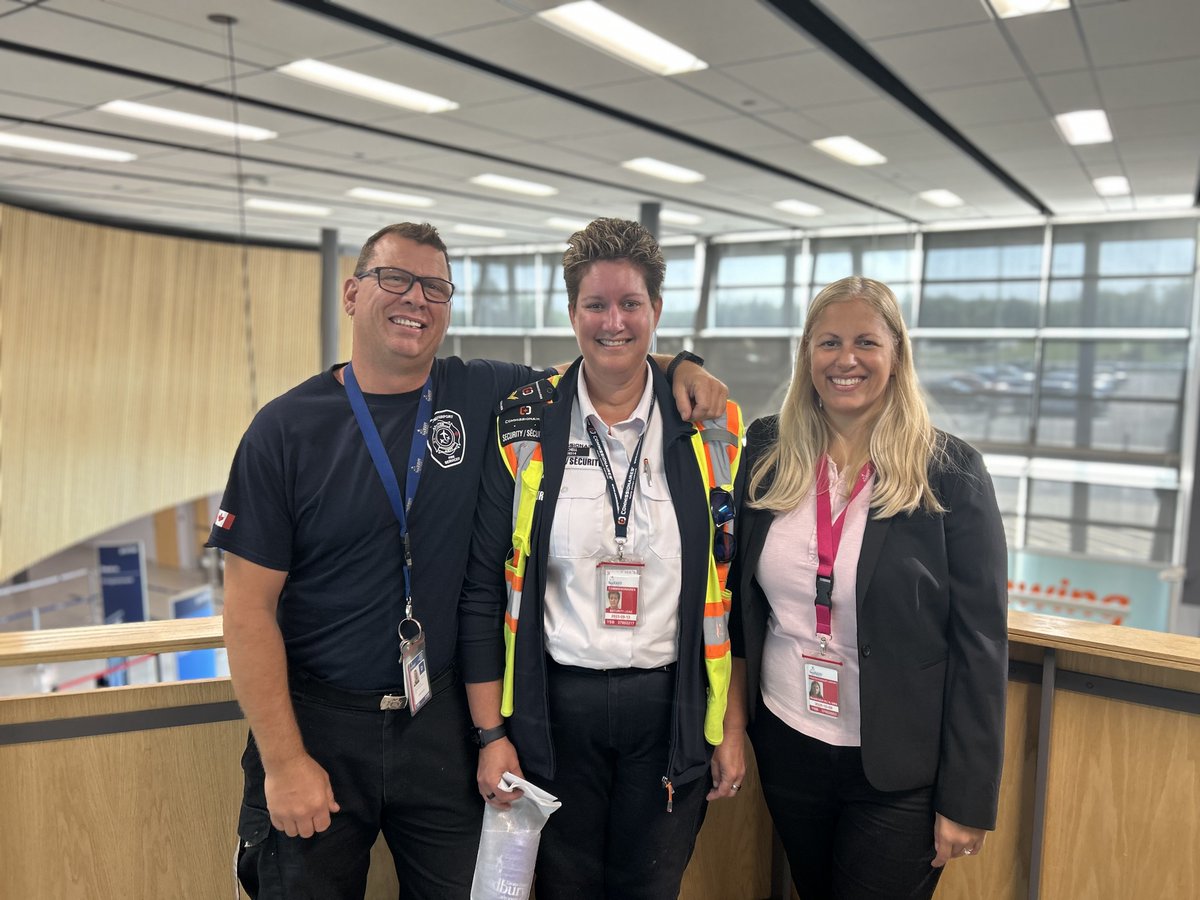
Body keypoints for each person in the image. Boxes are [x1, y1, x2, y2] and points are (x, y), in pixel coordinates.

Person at [210, 221, 727, 900]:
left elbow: (604, 359)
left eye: (434, 287)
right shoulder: (286, 429)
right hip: (322, 724)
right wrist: (283, 763)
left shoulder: (484, 392)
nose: (414, 300)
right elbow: (246, 612)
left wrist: (682, 364)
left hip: (442, 723)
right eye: (394, 279)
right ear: (351, 293)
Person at [459, 218, 748, 900]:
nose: (613, 321)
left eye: (630, 304)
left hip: (670, 707)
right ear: (572, 312)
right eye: (596, 304)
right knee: (564, 886)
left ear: (656, 312)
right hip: (555, 709)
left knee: (651, 886)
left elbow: (732, 596)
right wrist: (489, 735)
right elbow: (481, 591)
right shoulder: (526, 422)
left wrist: (731, 727)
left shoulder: (712, 428)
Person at [729, 276, 1008, 899]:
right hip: (788, 739)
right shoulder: (770, 449)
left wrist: (968, 797)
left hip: (897, 767)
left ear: (896, 354)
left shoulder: (949, 472)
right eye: (828, 342)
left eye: (865, 342)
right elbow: (741, 601)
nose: (845, 359)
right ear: (807, 355)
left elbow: (981, 642)